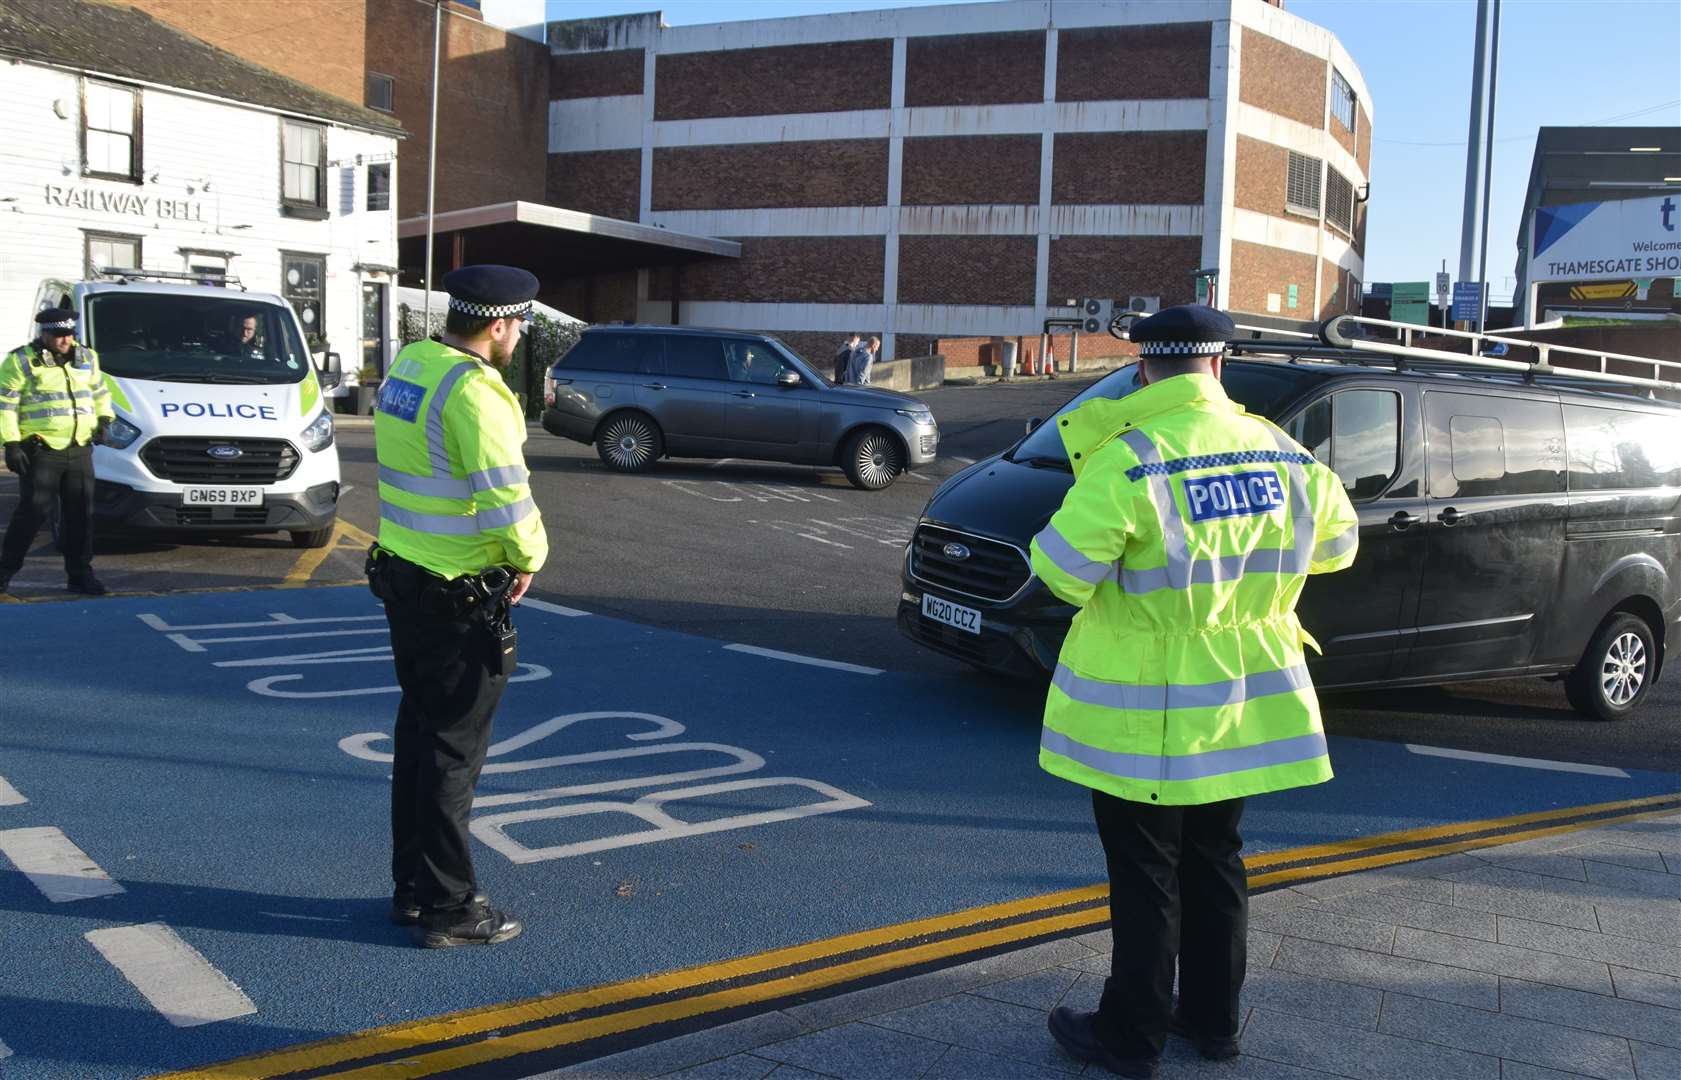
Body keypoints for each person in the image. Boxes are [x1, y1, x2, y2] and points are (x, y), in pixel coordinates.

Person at [1030, 305, 1358, 1078]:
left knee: (1145, 872)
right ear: (1219, 366)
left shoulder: (1129, 456)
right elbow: (1339, 549)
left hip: (1143, 706)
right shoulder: (1283, 451)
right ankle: (1213, 1021)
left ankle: (1130, 1035)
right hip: (1245, 699)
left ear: (1143, 369)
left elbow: (1057, 571)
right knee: (1216, 857)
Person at [364, 265, 549, 948]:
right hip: (457, 594)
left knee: (419, 738)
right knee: (452, 754)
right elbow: (506, 494)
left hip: (405, 576)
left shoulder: (414, 364)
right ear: (500, 324)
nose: (521, 334)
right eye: (520, 324)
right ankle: (450, 907)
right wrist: (528, 556)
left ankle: (412, 890)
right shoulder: (477, 394)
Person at [0, 308, 115, 596]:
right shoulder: (21, 360)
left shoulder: (87, 357)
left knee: (81, 516)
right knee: (32, 514)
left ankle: (80, 575)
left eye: (69, 335)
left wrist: (104, 419)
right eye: (58, 335)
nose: (65, 341)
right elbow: (5, 405)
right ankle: (4, 573)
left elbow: (100, 391)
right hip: (41, 450)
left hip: (79, 449)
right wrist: (11, 444)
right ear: (45, 334)